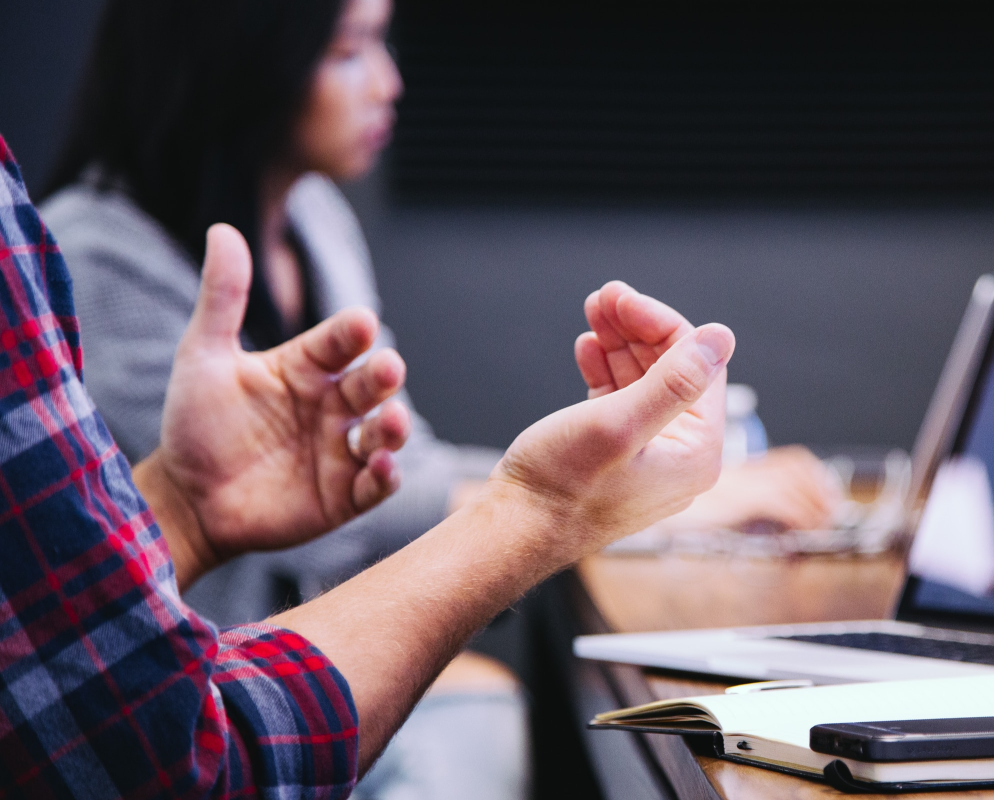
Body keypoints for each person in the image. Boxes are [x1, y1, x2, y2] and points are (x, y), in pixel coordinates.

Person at [0, 129, 735, 796]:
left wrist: (185, 510)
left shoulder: (315, 215)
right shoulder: (93, 250)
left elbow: (44, 624)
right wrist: (544, 509)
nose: (388, 81)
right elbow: (166, 763)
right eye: (351, 49)